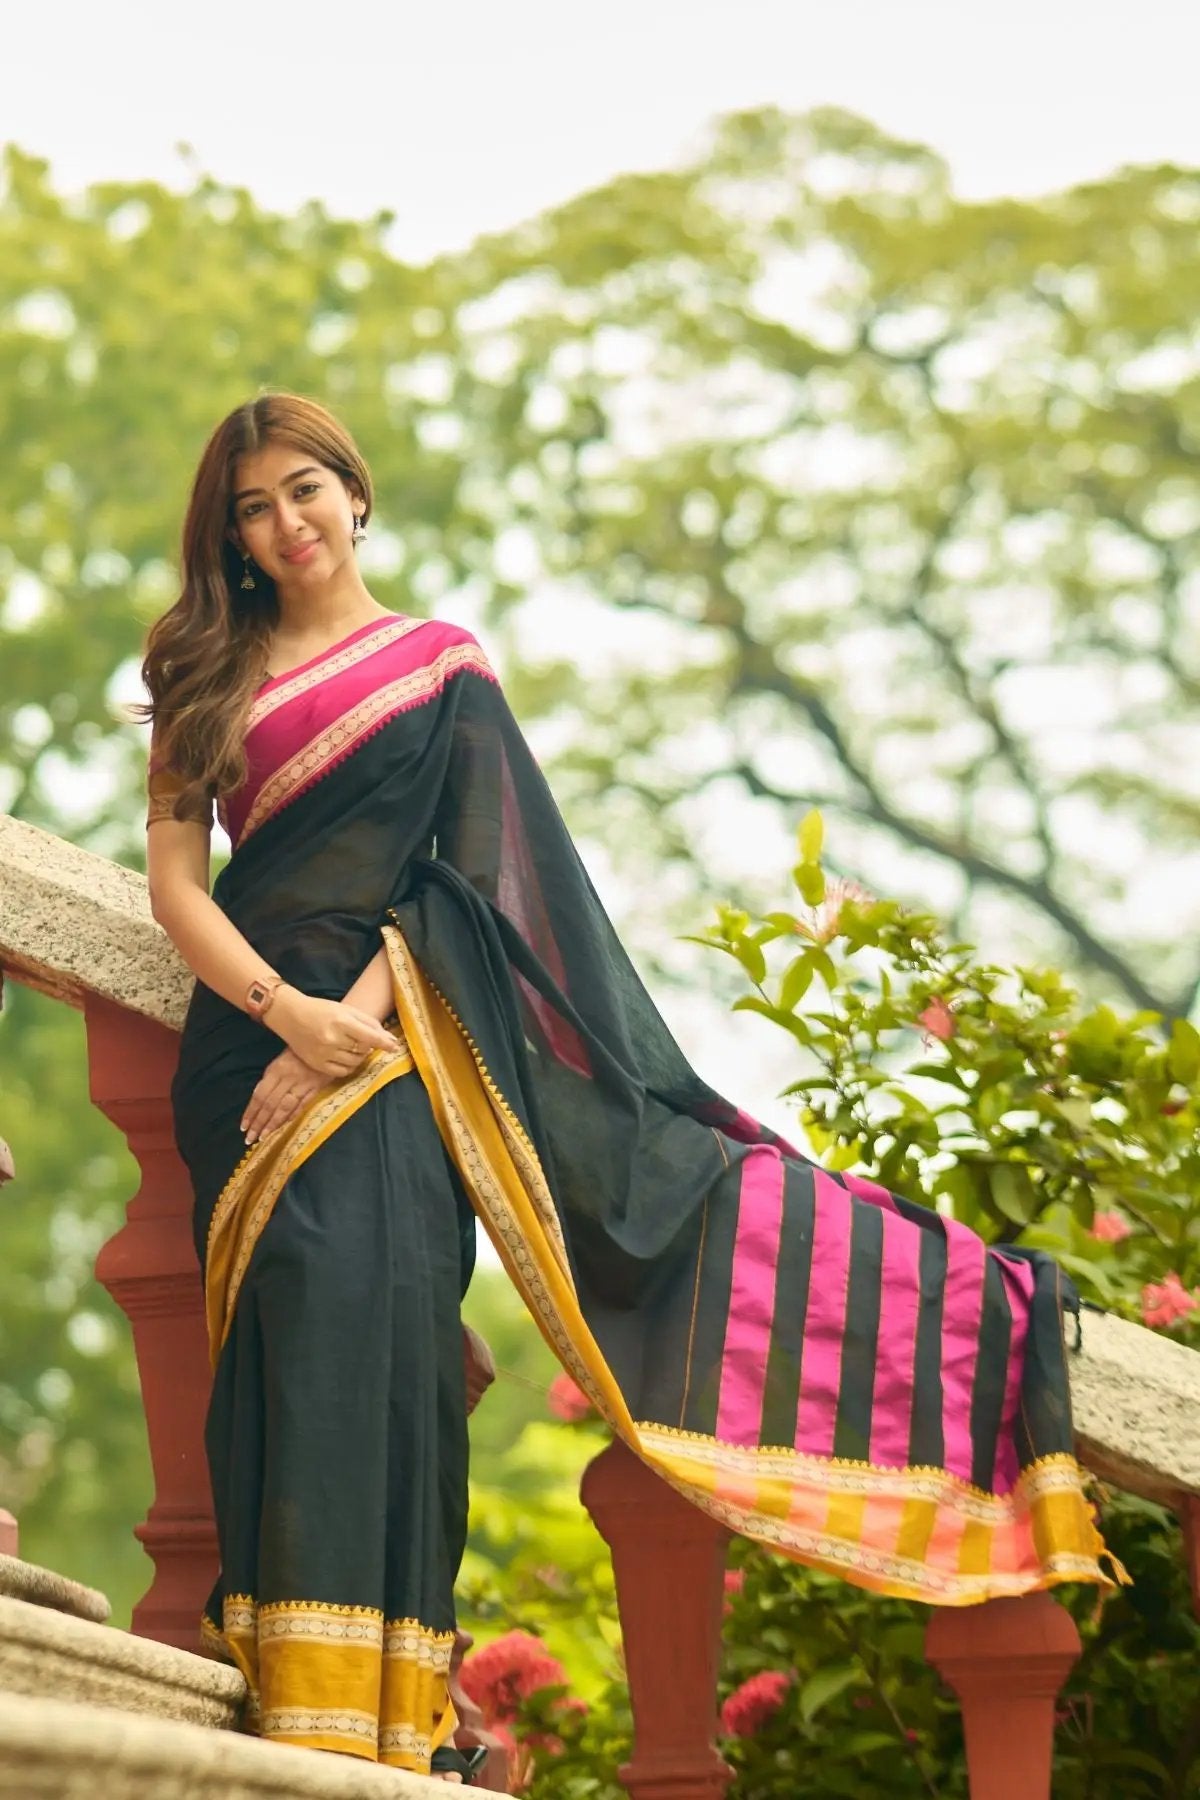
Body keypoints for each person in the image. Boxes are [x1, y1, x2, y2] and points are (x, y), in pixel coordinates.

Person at [143, 392, 1112, 1786]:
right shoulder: (202, 671)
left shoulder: (438, 670)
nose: (282, 522)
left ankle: (387, 1725)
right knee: (288, 1347)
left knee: (397, 1343)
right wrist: (282, 1013)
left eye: (303, 489)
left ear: (355, 494)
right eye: (250, 505)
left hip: (391, 1060)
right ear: (227, 532)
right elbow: (180, 881)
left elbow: (470, 892)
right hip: (242, 1060)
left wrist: (345, 1027)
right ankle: (293, 1703)